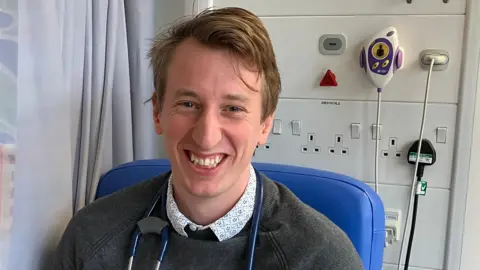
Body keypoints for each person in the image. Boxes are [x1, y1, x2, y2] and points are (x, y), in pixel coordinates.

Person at [53, 7, 364, 270]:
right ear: (158, 114)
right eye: (188, 104)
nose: (206, 136)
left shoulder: (321, 257)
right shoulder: (91, 237)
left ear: (264, 125)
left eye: (232, 108)